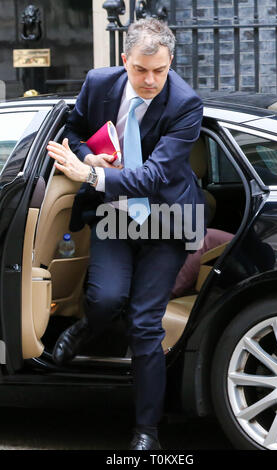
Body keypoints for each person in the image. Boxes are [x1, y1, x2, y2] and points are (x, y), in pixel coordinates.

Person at [46, 18, 206, 450]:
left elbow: (155, 176)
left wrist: (90, 178)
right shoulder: (99, 84)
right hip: (114, 215)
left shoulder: (186, 103)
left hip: (167, 219)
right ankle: (87, 327)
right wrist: (89, 158)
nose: (151, 80)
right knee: (104, 298)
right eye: (141, 70)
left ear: (171, 62)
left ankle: (146, 430)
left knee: (143, 323)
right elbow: (74, 132)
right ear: (124, 61)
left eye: (160, 70)